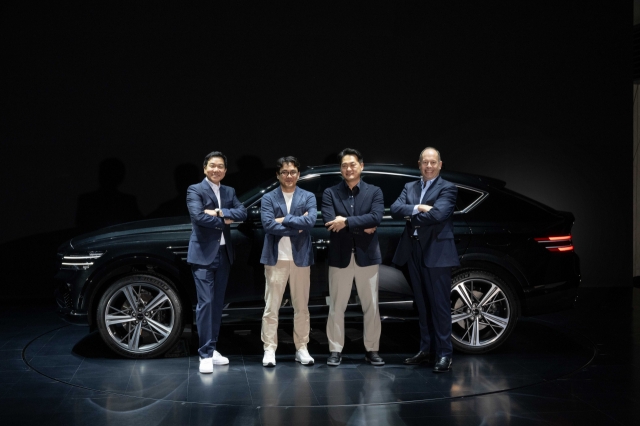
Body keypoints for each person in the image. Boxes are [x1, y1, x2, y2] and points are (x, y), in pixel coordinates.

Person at [390, 147, 459, 373]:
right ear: (419, 164)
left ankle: (444, 354)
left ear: (440, 164)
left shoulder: (448, 188)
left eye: (433, 162)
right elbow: (395, 209)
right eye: (424, 162)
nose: (428, 166)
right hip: (414, 251)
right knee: (422, 305)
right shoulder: (410, 186)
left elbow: (439, 214)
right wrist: (419, 207)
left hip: (437, 252)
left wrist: (412, 215)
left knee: (439, 306)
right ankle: (426, 350)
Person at [321, 148, 384, 366]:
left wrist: (346, 222)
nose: (349, 168)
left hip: (368, 256)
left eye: (353, 164)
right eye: (345, 165)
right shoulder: (330, 193)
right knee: (337, 306)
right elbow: (330, 222)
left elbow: (376, 217)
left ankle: (372, 350)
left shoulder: (374, 191)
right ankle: (335, 350)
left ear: (361, 166)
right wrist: (362, 224)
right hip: (340, 257)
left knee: (371, 306)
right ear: (340, 169)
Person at [187, 151, 247, 374]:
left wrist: (220, 212)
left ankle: (212, 349)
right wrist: (225, 220)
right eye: (212, 166)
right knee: (206, 303)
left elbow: (243, 213)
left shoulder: (229, 191)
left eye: (220, 166)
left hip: (224, 254)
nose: (216, 170)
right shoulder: (195, 189)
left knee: (217, 304)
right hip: (203, 254)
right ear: (205, 168)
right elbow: (197, 216)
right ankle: (204, 353)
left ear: (225, 170)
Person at [259, 156, 317, 367]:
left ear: (298, 174)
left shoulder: (308, 196)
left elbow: (310, 221)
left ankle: (301, 348)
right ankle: (269, 349)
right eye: (284, 172)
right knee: (271, 307)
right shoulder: (269, 198)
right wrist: (297, 225)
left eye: (293, 172)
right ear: (278, 175)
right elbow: (268, 225)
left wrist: (284, 219)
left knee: (302, 307)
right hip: (276, 259)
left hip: (300, 258)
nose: (289, 176)